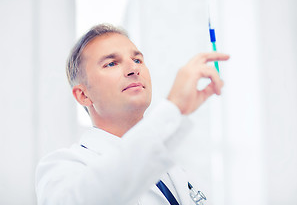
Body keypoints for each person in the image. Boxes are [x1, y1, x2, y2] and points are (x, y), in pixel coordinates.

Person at [35, 24, 229, 204]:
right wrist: (173, 107)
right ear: (84, 95)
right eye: (111, 63)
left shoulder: (178, 172)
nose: (133, 69)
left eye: (137, 60)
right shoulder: (62, 168)